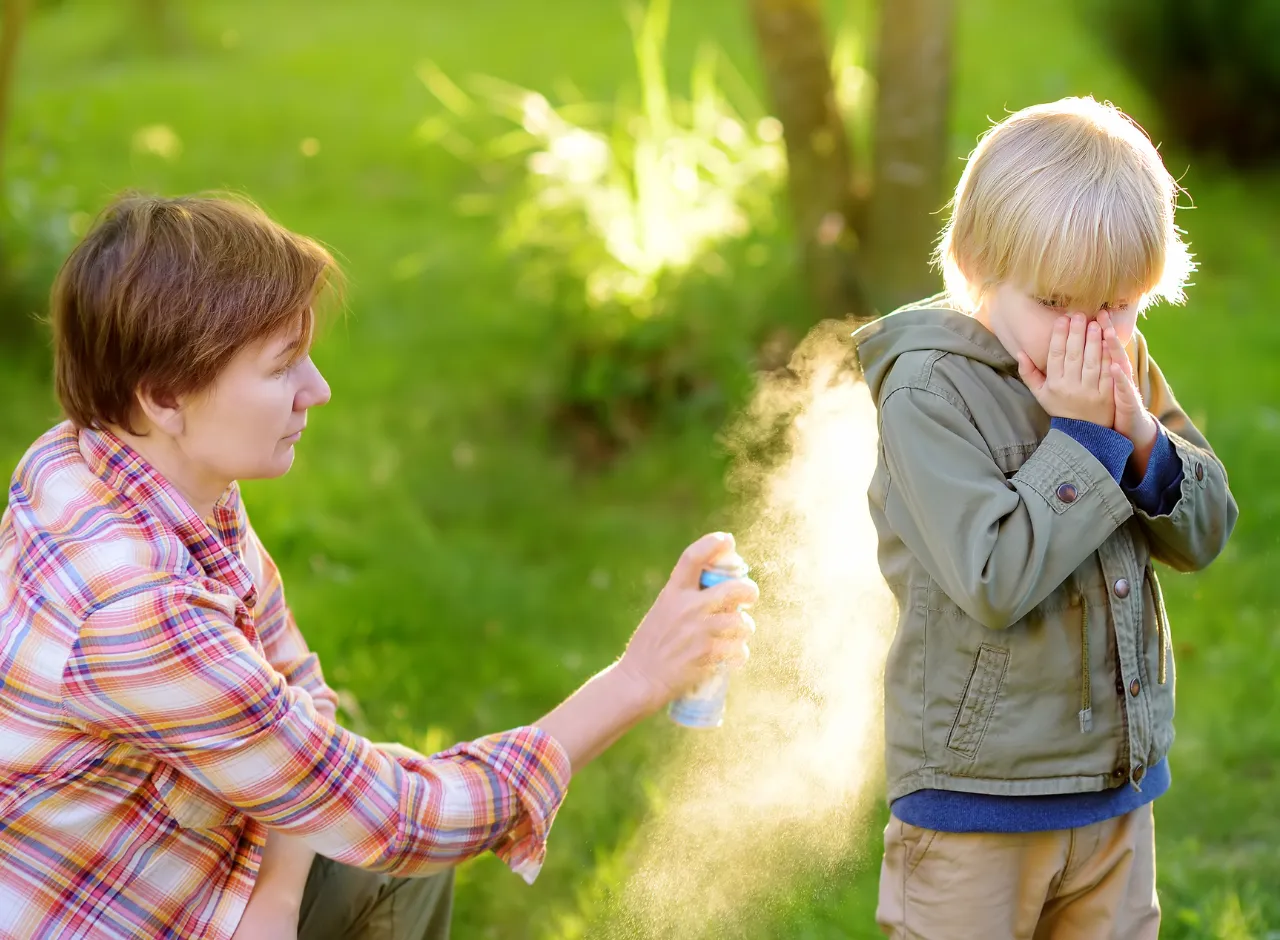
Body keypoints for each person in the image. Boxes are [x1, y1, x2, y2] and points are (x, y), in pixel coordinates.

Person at [0, 193, 758, 940]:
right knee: (399, 863)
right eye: (281, 367)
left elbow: (293, 684)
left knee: (376, 870)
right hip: (100, 910)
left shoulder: (103, 459)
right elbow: (398, 819)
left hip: (166, 861)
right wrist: (637, 679)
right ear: (164, 395)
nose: (318, 391)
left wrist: (275, 896)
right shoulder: (139, 610)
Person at [852, 96, 1238, 938]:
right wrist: (1082, 436)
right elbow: (995, 578)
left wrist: (1138, 436)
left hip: (1114, 786)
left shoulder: (1115, 360)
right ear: (979, 265)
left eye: (1119, 307)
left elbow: (1205, 532)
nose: (1089, 333)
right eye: (1059, 301)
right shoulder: (929, 390)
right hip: (977, 797)